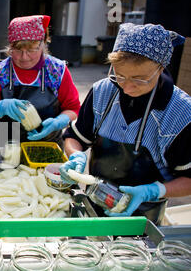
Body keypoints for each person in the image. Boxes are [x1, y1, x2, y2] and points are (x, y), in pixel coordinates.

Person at [60, 23, 191, 225]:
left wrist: (154, 191)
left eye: (140, 79)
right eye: (120, 75)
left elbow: (189, 179)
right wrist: (75, 155)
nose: (127, 87)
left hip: (144, 217)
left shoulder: (181, 113)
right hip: (94, 204)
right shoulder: (102, 91)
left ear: (161, 67)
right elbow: (74, 137)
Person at [0, 15, 80, 147]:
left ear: (43, 44)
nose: (24, 57)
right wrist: (0, 108)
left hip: (47, 145)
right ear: (10, 47)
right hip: (6, 147)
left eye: (31, 49)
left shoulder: (57, 71)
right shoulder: (1, 72)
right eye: (18, 50)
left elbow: (73, 108)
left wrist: (59, 121)